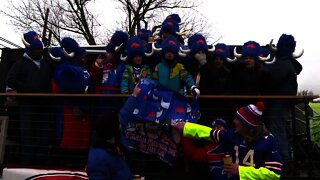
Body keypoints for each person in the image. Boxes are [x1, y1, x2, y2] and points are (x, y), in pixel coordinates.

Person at [172, 101, 283, 180]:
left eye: (237, 119)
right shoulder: (233, 134)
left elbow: (274, 174)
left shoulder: (268, 141)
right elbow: (209, 133)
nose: (234, 121)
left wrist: (241, 171)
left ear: (246, 124)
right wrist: (186, 127)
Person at [6, 30, 54, 165]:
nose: (40, 51)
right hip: (27, 105)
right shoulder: (20, 63)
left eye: (41, 48)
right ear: (29, 49)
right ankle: (27, 163)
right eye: (37, 49)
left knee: (43, 135)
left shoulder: (46, 63)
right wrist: (28, 89)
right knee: (27, 134)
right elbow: (11, 80)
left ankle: (42, 163)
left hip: (44, 105)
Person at [266, 34, 304, 161]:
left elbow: (272, 76)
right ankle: (284, 158)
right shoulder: (291, 64)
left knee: (277, 130)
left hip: (278, 103)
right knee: (281, 129)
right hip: (285, 103)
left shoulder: (284, 63)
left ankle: (283, 160)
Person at [86, 111, 132, 180]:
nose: (121, 125)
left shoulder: (116, 145)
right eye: (118, 123)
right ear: (112, 130)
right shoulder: (98, 159)